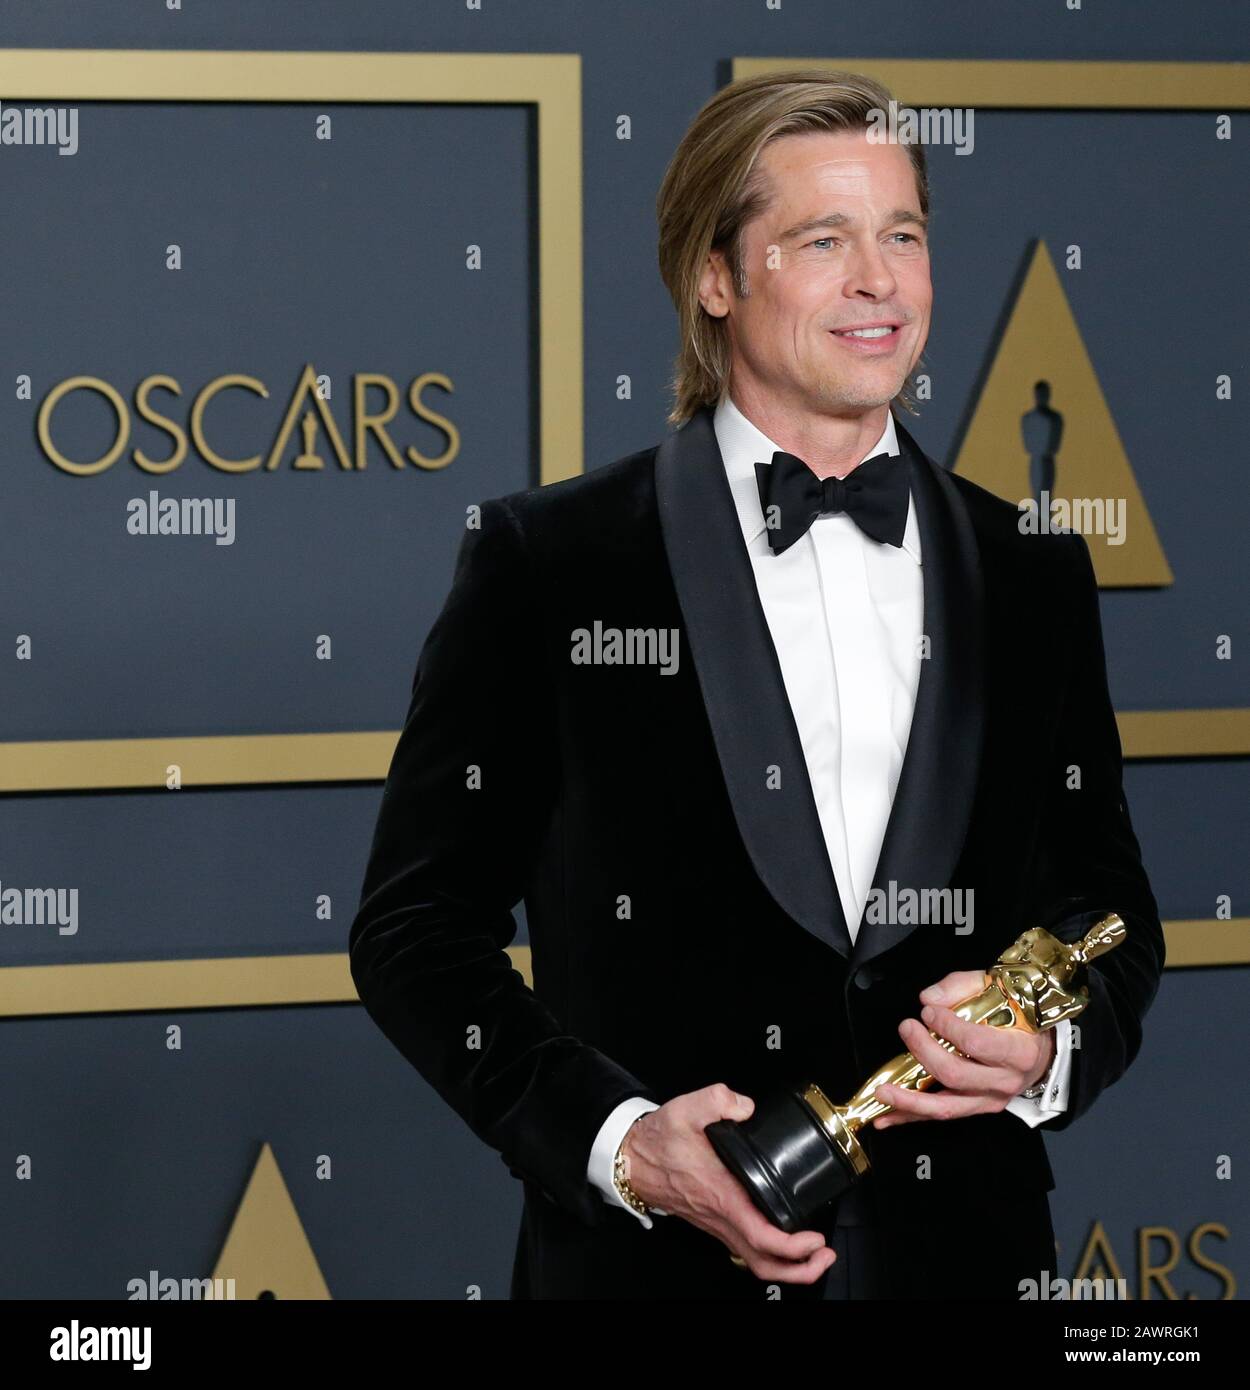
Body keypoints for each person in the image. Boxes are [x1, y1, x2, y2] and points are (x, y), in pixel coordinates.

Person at [348, 68, 1164, 1300]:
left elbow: (1110, 911)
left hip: (971, 1263)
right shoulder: (549, 562)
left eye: (901, 236)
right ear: (714, 279)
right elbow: (413, 932)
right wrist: (623, 1147)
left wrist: (1047, 1047)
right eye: (821, 241)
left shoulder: (1032, 570)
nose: (877, 280)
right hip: (648, 1278)